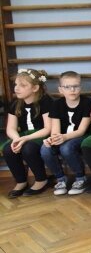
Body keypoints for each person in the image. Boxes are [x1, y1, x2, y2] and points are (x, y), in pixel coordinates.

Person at [40, 70, 91, 196]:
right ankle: (61, 179)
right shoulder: (56, 104)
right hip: (62, 136)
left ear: (80, 87)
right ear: (60, 90)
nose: (72, 90)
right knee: (45, 148)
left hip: (81, 136)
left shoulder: (88, 103)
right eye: (67, 87)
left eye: (76, 86)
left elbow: (81, 131)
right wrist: (51, 139)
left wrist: (64, 137)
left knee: (66, 148)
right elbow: (55, 130)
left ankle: (80, 178)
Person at [2, 68, 52, 197]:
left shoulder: (45, 101)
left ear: (35, 88)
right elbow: (11, 128)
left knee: (28, 149)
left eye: (22, 85)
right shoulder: (15, 104)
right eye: (16, 85)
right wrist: (16, 139)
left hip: (41, 134)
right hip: (22, 135)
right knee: (8, 149)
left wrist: (26, 139)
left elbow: (48, 128)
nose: (17, 88)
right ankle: (21, 181)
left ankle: (41, 179)